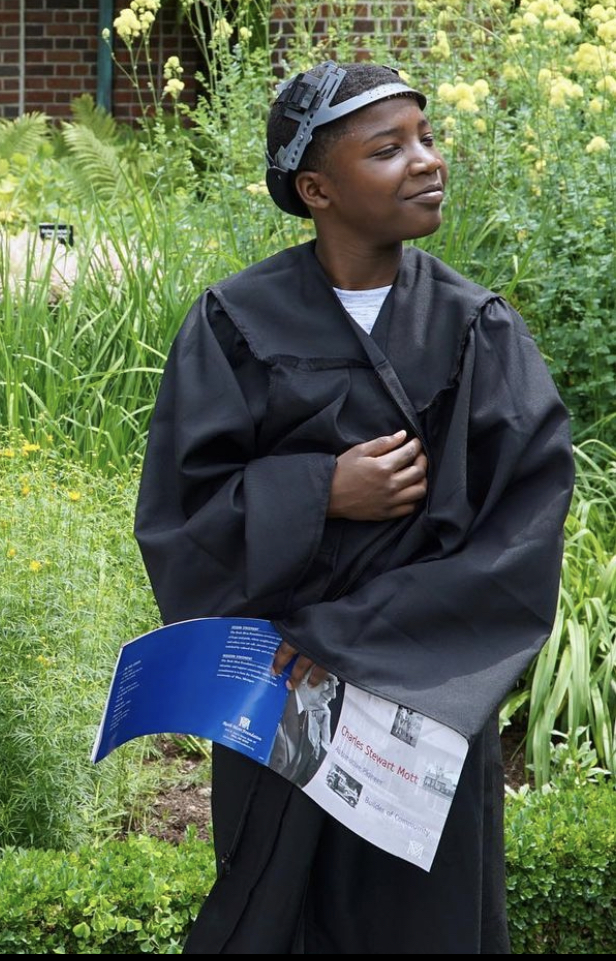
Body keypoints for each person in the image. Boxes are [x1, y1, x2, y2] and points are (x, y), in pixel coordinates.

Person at [133, 60, 574, 953]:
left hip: (424, 697)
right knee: (277, 917)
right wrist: (320, 490)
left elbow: (522, 535)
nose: (426, 161)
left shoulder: (476, 328)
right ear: (317, 188)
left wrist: (343, 641)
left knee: (424, 920)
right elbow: (181, 521)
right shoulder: (232, 324)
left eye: (426, 137)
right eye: (389, 149)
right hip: (281, 699)